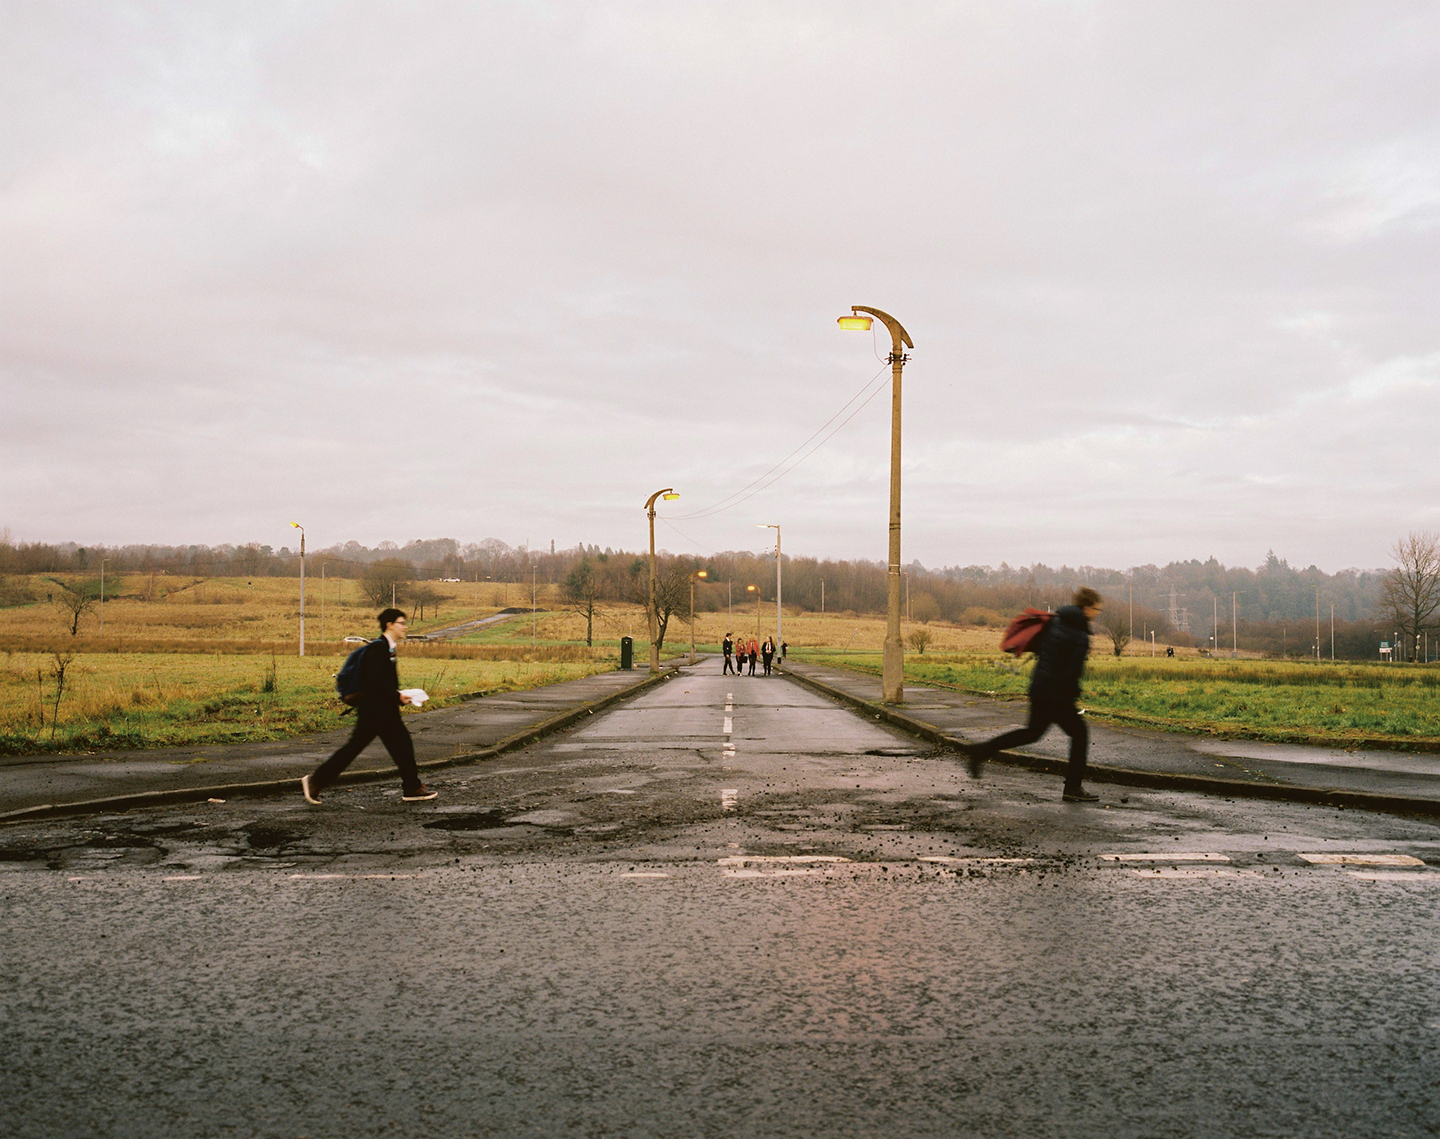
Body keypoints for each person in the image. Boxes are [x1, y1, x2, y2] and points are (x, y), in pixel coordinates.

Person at [961, 588, 1104, 803]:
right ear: (1086, 607)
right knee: (1079, 734)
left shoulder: (1056, 622)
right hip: (1056, 695)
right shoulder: (1080, 634)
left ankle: (980, 751)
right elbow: (1071, 671)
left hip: (1039, 688)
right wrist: (1071, 695)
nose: (1098, 612)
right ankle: (1073, 788)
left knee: (1032, 733)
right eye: (1096, 608)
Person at [302, 608, 437, 805]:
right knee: (358, 749)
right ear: (389, 625)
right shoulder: (378, 649)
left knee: (401, 746)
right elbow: (376, 683)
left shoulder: (387, 648)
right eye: (402, 623)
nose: (405, 627)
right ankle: (315, 781)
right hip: (375, 711)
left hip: (382, 710)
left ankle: (412, 787)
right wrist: (398, 696)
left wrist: (396, 696)